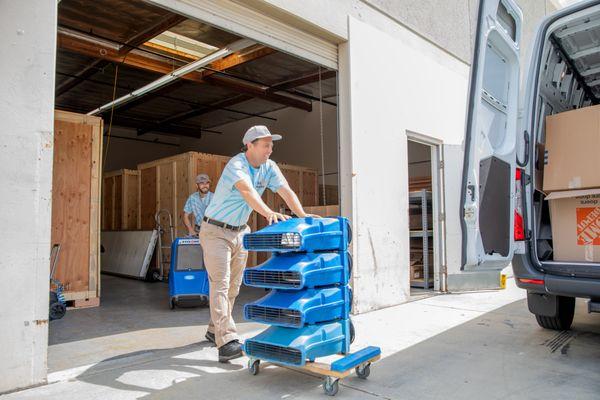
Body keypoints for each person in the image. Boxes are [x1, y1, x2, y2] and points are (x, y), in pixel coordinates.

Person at [199, 125, 317, 362]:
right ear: (250, 146)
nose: (270, 150)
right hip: (215, 231)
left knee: (233, 288)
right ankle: (227, 341)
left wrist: (304, 217)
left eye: (271, 145)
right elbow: (247, 191)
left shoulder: (269, 167)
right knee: (220, 285)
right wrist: (268, 213)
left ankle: (215, 330)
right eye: (265, 145)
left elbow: (286, 191)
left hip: (240, 232)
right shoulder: (237, 165)